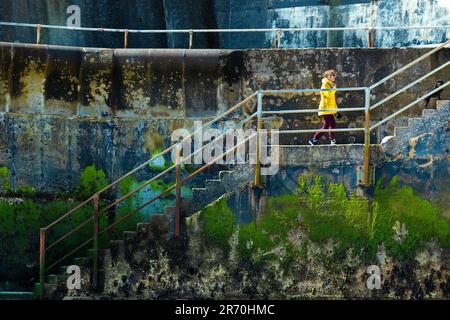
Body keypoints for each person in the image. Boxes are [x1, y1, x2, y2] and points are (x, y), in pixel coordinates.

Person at [309, 69, 341, 146]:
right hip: (326, 109)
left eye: (334, 75)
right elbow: (328, 95)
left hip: (329, 109)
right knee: (332, 124)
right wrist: (333, 88)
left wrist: (335, 110)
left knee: (326, 126)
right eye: (333, 75)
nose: (334, 77)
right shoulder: (325, 84)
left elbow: (332, 99)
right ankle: (332, 140)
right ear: (328, 76)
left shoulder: (331, 84)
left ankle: (314, 140)